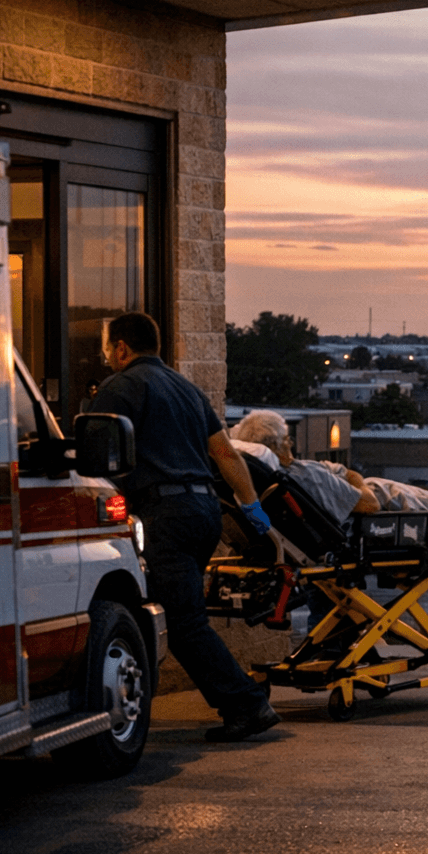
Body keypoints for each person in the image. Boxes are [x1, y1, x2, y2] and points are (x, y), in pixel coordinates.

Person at [90, 312, 281, 743]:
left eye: (107, 349)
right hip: (203, 511)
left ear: (121, 348)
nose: (106, 357)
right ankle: (239, 698)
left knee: (184, 620)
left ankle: (246, 704)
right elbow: (227, 456)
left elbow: (95, 457)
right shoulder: (188, 390)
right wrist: (254, 512)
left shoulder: (119, 389)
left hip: (165, 516)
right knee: (181, 614)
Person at [230, 409, 380, 521]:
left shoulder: (251, 480)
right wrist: (357, 480)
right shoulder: (307, 475)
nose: (291, 443)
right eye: (287, 439)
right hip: (376, 492)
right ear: (276, 446)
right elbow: (371, 504)